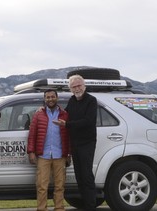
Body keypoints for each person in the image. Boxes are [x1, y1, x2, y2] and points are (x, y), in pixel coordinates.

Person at [54, 74, 98, 211]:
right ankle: (85, 205)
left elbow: (88, 121)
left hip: (87, 142)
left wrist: (67, 124)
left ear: (84, 86)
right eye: (74, 87)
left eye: (79, 85)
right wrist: (45, 110)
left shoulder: (91, 100)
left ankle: (91, 206)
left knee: (86, 175)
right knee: (79, 175)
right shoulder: (72, 100)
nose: (77, 88)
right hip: (75, 143)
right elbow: (64, 114)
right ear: (70, 89)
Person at [27, 89, 70, 211]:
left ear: (57, 98)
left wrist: (68, 153)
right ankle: (41, 209)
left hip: (60, 155)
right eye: (48, 97)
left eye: (52, 97)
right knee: (41, 185)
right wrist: (31, 152)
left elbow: (68, 136)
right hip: (43, 155)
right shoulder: (38, 114)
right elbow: (32, 134)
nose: (50, 99)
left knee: (60, 185)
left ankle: (59, 208)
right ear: (44, 99)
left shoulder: (64, 114)